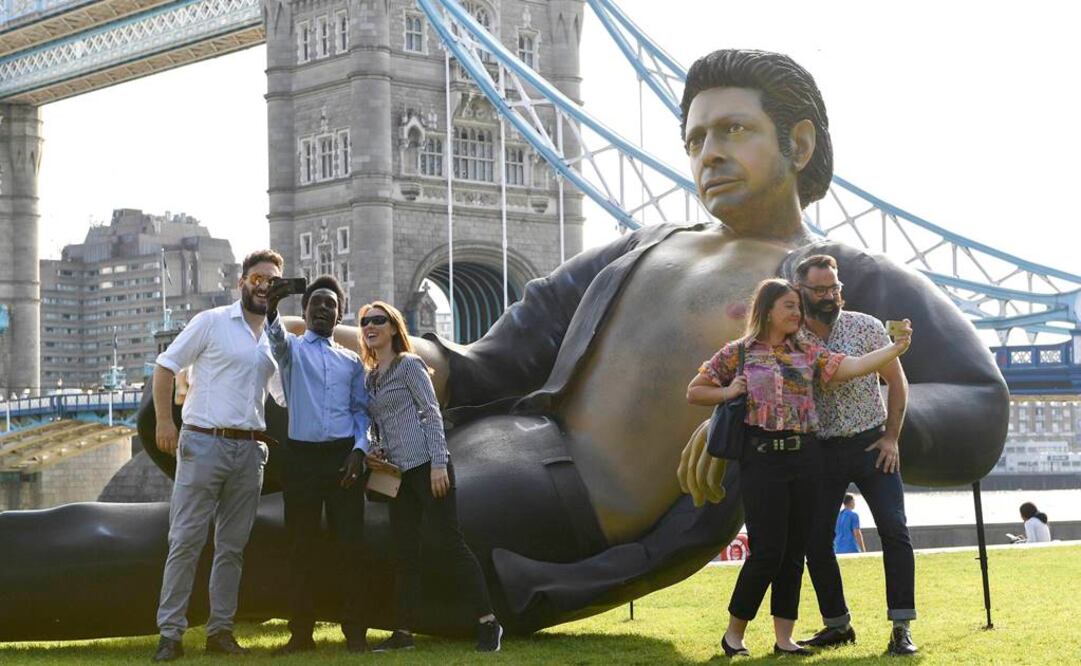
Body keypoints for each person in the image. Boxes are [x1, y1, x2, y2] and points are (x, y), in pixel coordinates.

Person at [687, 278, 912, 657]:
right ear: (768, 310)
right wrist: (729, 391)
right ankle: (734, 635)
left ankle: (784, 638)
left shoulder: (807, 349)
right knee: (766, 552)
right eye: (790, 306)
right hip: (760, 459)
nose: (797, 313)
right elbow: (695, 390)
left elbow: (851, 367)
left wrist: (896, 348)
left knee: (795, 552)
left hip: (805, 456)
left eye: (797, 306)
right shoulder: (738, 353)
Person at [150, 250, 283, 662]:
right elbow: (165, 366)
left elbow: (285, 395)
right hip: (203, 442)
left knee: (232, 547)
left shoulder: (274, 340)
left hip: (249, 451)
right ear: (242, 282)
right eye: (258, 279)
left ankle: (219, 631)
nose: (264, 287)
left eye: (272, 282)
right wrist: (164, 422)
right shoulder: (210, 322)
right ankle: (171, 634)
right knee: (186, 540)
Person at [357, 301, 503, 653]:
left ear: (393, 328)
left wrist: (439, 463)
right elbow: (379, 425)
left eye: (378, 320)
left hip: (428, 467)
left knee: (450, 544)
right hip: (398, 476)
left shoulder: (409, 365)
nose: (370, 326)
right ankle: (403, 633)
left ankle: (488, 624)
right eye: (364, 322)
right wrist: (375, 449)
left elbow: (431, 413)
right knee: (404, 553)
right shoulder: (372, 377)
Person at [793, 254, 917, 655]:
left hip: (872, 444)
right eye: (821, 290)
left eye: (835, 288)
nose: (830, 296)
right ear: (801, 292)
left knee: (895, 532)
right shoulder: (791, 339)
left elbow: (897, 382)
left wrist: (892, 437)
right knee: (815, 539)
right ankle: (837, 625)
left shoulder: (865, 326)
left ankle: (902, 627)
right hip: (821, 449)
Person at [265, 274, 373, 654]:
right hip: (302, 460)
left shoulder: (351, 363)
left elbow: (362, 413)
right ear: (306, 311)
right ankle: (301, 635)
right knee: (301, 548)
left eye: (331, 304)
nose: (324, 309)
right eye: (317, 303)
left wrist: (360, 450)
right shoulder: (292, 352)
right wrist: (272, 306)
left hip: (344, 458)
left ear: (339, 312)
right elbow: (274, 339)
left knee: (351, 547)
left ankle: (356, 634)